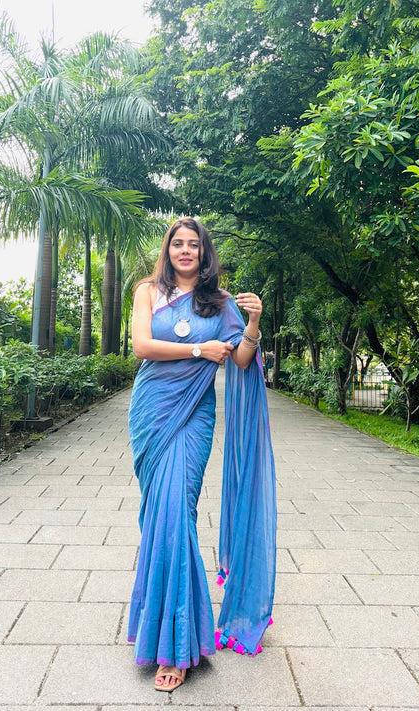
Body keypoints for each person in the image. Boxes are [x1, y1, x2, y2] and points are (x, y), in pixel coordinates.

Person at [127, 217, 277, 692]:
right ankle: (162, 628)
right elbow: (141, 346)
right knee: (160, 515)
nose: (186, 250)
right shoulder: (147, 291)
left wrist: (252, 324)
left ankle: (175, 647)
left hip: (194, 415)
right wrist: (197, 350)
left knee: (177, 513)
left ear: (204, 252)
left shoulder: (222, 303)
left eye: (194, 244)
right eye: (178, 243)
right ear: (168, 249)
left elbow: (241, 360)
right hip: (152, 409)